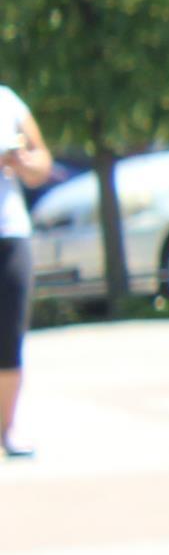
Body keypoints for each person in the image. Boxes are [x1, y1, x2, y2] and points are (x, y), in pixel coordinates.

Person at [0, 77, 44, 458]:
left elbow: (42, 162)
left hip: (10, 231)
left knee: (10, 334)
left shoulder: (7, 101)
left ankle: (7, 429)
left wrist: (23, 162)